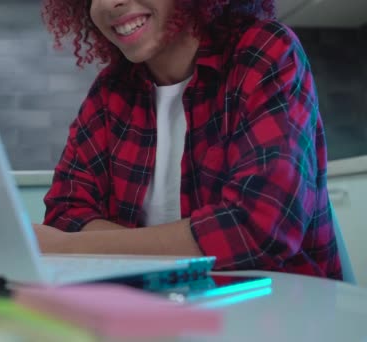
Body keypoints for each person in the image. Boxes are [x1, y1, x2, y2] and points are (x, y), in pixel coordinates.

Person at [33, 0, 342, 280]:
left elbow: (259, 227)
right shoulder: (109, 91)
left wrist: (73, 246)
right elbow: (66, 211)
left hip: (282, 312)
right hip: (158, 308)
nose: (109, 3)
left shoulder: (263, 50)